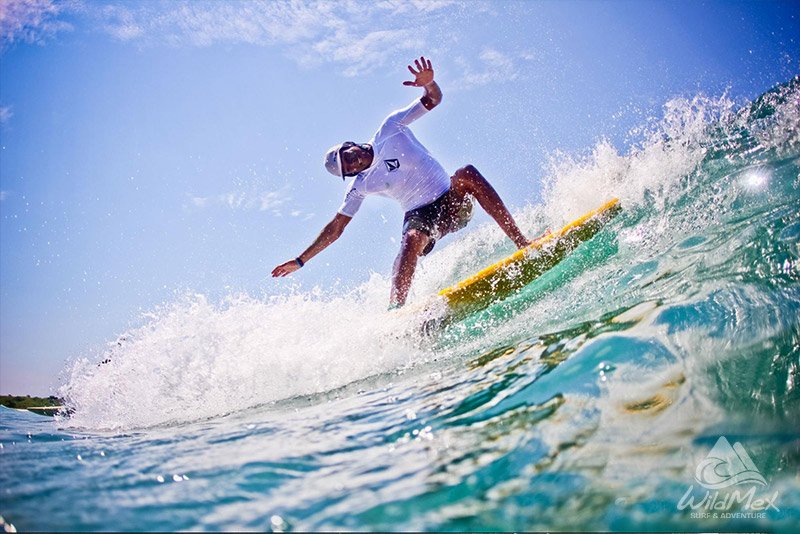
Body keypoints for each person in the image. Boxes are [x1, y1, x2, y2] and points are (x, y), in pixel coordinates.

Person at [272, 56, 534, 308]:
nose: (352, 163)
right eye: (348, 169)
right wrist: (300, 260)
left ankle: (523, 244)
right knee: (410, 238)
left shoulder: (390, 128)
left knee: (467, 173)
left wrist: (428, 84)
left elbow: (433, 99)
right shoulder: (361, 185)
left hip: (451, 202)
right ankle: (397, 312)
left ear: (350, 145)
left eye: (347, 156)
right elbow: (335, 228)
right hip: (421, 215)